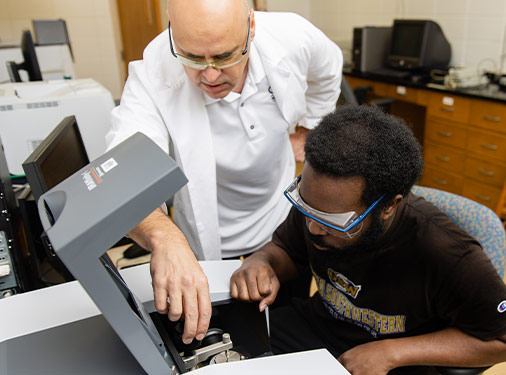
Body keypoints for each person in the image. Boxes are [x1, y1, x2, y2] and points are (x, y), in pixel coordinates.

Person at [105, 0, 343, 345]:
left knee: (287, 334)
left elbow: (328, 68)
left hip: (281, 230)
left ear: (251, 27)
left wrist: (310, 129)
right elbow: (122, 173)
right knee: (230, 339)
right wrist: (163, 237)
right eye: (192, 58)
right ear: (171, 27)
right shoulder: (154, 72)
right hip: (210, 244)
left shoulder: (292, 35)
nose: (211, 75)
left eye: (225, 56)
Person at [230, 105, 506, 375]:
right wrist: (262, 261)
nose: (313, 228)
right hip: (318, 328)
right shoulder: (321, 205)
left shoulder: (447, 252)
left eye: (332, 222)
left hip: (397, 361)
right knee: (228, 341)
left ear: (388, 206)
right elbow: (286, 249)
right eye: (306, 208)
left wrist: (392, 352)